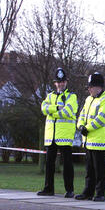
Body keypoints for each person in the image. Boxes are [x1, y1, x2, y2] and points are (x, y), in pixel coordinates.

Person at [75, 72, 105, 202]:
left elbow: (101, 119)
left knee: (100, 170)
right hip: (89, 140)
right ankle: (88, 192)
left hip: (100, 140)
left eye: (90, 86)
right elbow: (82, 115)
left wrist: (87, 128)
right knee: (89, 170)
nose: (89, 89)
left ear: (98, 87)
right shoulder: (88, 100)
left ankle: (100, 193)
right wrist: (80, 126)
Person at [38, 68, 78, 198]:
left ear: (66, 82)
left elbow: (67, 112)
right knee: (49, 163)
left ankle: (70, 190)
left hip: (65, 135)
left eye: (63, 82)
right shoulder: (50, 96)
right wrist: (56, 108)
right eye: (58, 82)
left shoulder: (72, 97)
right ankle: (48, 188)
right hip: (51, 135)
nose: (60, 84)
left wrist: (52, 112)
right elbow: (43, 109)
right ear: (55, 83)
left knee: (67, 164)